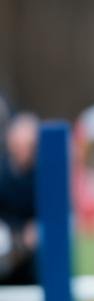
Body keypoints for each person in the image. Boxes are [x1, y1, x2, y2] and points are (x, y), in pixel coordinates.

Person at [0, 112, 39, 287]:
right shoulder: (3, 173)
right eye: (19, 144)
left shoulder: (41, 176)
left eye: (28, 145)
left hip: (31, 259)